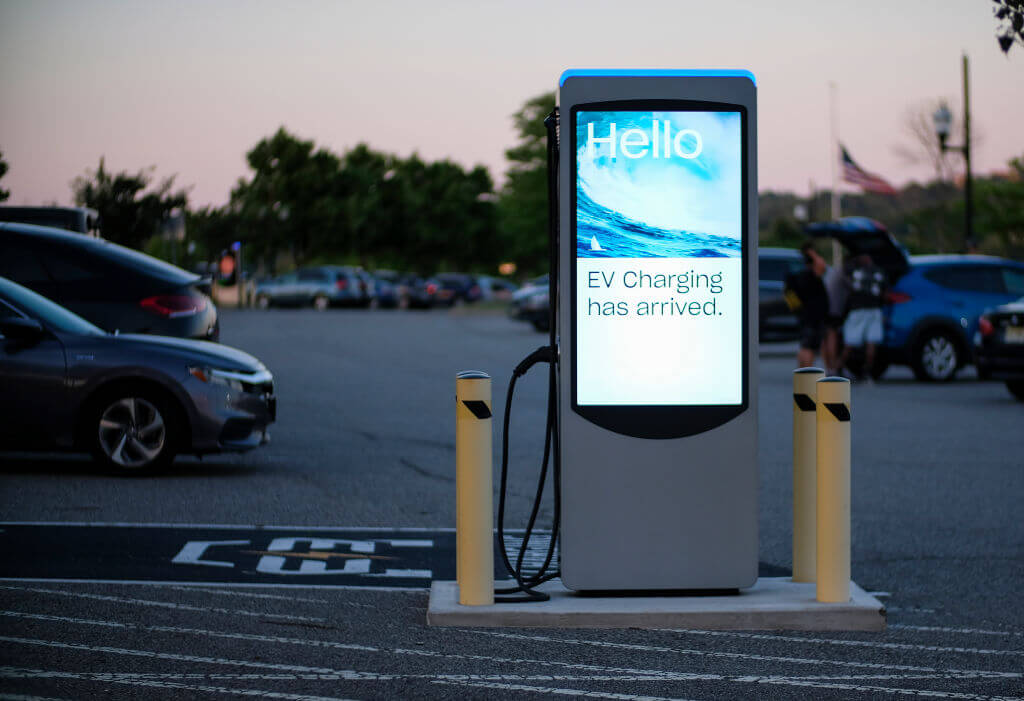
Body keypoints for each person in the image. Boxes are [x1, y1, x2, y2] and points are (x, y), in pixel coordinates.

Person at [840, 254, 888, 382]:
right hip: (874, 309)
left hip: (858, 310)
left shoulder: (855, 272)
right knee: (871, 342)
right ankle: (867, 372)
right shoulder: (879, 272)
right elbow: (885, 292)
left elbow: (848, 288)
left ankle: (838, 369)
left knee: (850, 341)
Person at [784, 242, 829, 368]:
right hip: (813, 316)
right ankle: (807, 373)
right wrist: (812, 253)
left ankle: (802, 373)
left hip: (802, 314)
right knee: (809, 347)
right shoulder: (810, 275)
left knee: (804, 346)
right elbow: (822, 266)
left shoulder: (796, 275)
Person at [823, 258, 850, 376]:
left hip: (826, 308)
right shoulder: (843, 273)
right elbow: (854, 287)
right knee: (832, 336)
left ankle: (829, 367)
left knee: (826, 338)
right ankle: (834, 366)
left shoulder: (833, 271)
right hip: (834, 310)